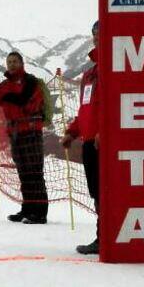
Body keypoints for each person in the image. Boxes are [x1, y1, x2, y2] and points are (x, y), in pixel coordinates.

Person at [0, 51, 48, 224]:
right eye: (9, 61)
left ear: (22, 63)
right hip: (16, 133)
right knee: (23, 172)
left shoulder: (31, 81)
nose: (11, 64)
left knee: (34, 171)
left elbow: (23, 100)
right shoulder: (4, 85)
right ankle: (27, 209)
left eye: (15, 61)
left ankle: (39, 213)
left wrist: (0, 95)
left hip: (31, 131)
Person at [61, 21, 101, 254]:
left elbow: (118, 105)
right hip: (89, 143)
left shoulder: (116, 67)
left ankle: (107, 236)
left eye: (101, 33)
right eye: (94, 34)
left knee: (106, 191)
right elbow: (85, 110)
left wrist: (104, 132)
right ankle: (102, 235)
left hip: (104, 142)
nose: (96, 38)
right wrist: (72, 131)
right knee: (96, 191)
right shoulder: (89, 75)